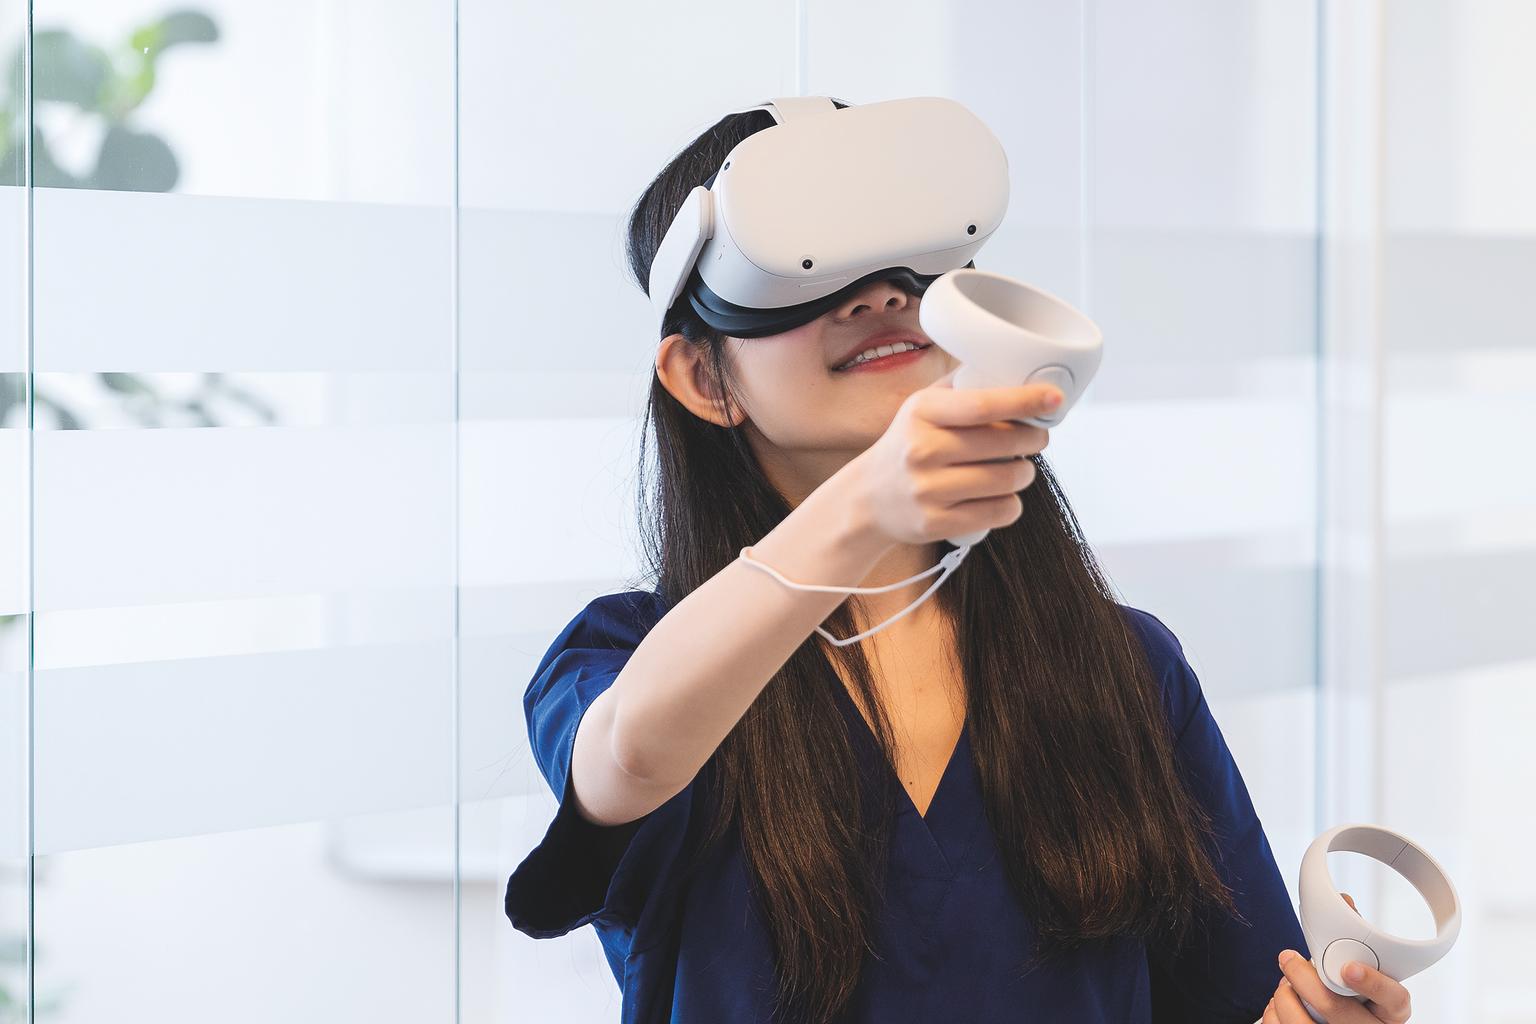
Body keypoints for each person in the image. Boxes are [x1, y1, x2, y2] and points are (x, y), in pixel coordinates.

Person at [504, 103, 1415, 1024]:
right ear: (705, 380)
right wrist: (861, 505)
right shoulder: (627, 659)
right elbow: (630, 755)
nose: (876, 294)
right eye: (804, 266)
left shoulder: (1124, 669)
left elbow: (1239, 999)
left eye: (902, 256)